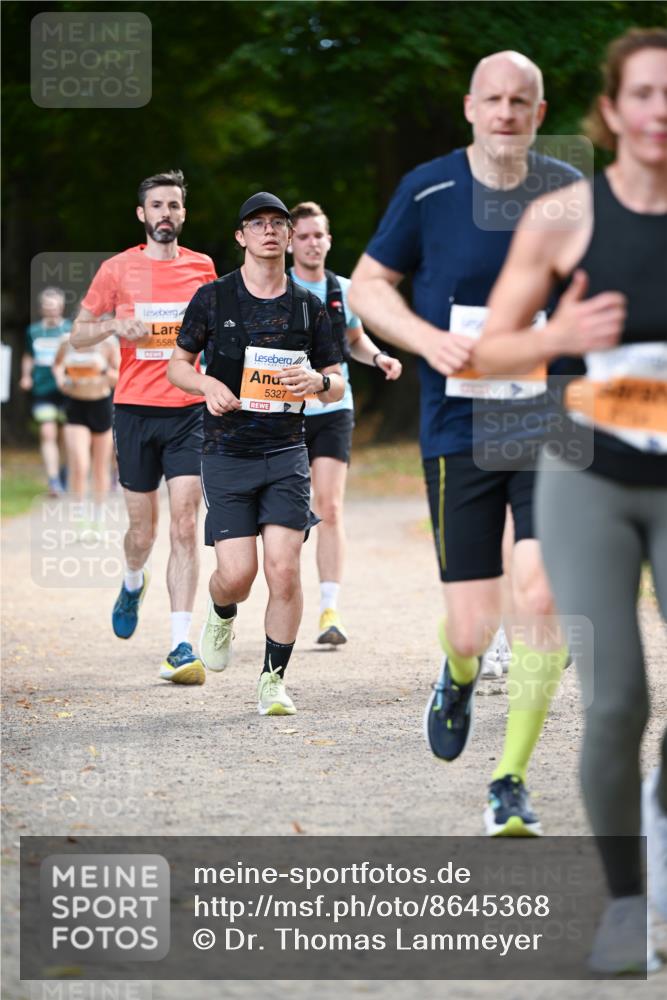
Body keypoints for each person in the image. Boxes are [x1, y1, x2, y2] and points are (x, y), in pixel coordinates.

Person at [349, 51, 581, 835]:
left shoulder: (571, 196)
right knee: (473, 626)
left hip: (553, 422)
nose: (507, 111)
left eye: (523, 100)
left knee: (543, 591)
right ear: (470, 108)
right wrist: (422, 339)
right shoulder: (430, 188)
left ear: (539, 113)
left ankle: (508, 779)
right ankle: (457, 675)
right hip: (459, 426)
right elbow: (369, 284)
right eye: (494, 99)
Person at [476, 28, 667, 974]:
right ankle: (626, 906)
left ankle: (660, 814)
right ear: (611, 111)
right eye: (643, 94)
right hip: (587, 472)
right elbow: (487, 351)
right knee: (616, 701)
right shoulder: (563, 217)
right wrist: (561, 333)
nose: (659, 110)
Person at [168, 192, 344, 716]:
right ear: (241, 237)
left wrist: (316, 381)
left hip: (287, 452)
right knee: (237, 575)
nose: (269, 231)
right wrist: (204, 386)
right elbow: (177, 365)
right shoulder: (212, 299)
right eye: (257, 224)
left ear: (290, 237)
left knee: (285, 569)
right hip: (226, 454)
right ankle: (221, 612)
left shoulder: (309, 307)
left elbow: (334, 382)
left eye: (278, 224)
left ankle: (273, 679)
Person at [70, 170, 217, 686]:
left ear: (183, 213)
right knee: (143, 530)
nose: (165, 215)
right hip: (133, 412)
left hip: (187, 411)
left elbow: (215, 335)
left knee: (183, 524)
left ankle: (180, 642)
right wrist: (114, 325)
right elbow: (78, 335)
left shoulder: (203, 268)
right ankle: (134, 581)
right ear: (142, 214)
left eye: (174, 206)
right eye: (157, 206)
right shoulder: (117, 269)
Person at [288, 200, 402, 645]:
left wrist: (377, 357)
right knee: (289, 515)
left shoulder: (344, 289)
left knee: (330, 507)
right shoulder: (279, 289)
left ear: (329, 240)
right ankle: (285, 601)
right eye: (304, 236)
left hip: (335, 408)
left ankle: (329, 610)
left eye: (319, 235)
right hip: (290, 411)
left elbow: (353, 338)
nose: (313, 243)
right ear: (291, 243)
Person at [52, 331, 120, 529]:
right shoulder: (66, 341)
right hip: (76, 405)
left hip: (101, 406)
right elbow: (57, 364)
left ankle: (98, 517)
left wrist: (102, 370)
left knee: (100, 467)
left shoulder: (108, 343)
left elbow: (118, 377)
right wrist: (60, 379)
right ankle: (79, 515)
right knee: (80, 464)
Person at [20, 287, 70, 495]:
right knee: (47, 432)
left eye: (55, 307)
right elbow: (28, 356)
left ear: (61, 308)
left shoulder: (70, 329)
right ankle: (53, 481)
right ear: (41, 309)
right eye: (48, 307)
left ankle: (64, 473)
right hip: (42, 388)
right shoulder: (33, 331)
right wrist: (26, 376)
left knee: (66, 436)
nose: (52, 311)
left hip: (68, 390)